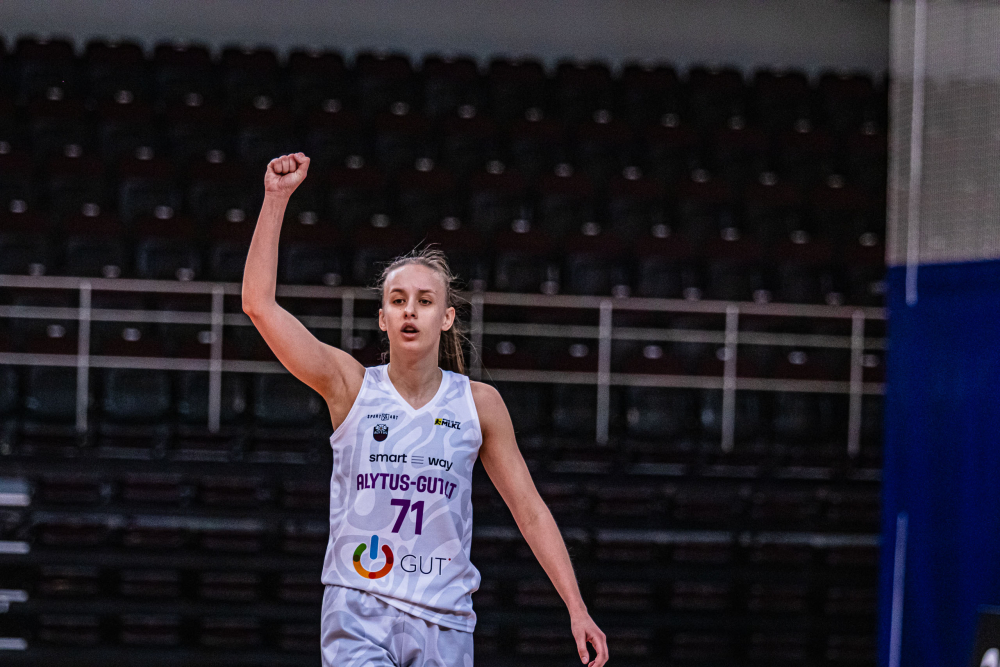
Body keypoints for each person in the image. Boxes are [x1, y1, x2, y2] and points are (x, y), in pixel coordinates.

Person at [243, 153, 609, 667]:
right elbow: (259, 305)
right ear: (383, 319)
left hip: (444, 617)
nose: (410, 310)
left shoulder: (479, 404)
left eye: (424, 300)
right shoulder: (350, 386)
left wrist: (577, 607)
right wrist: (276, 198)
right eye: (397, 300)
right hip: (358, 608)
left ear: (447, 317)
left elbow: (529, 509)